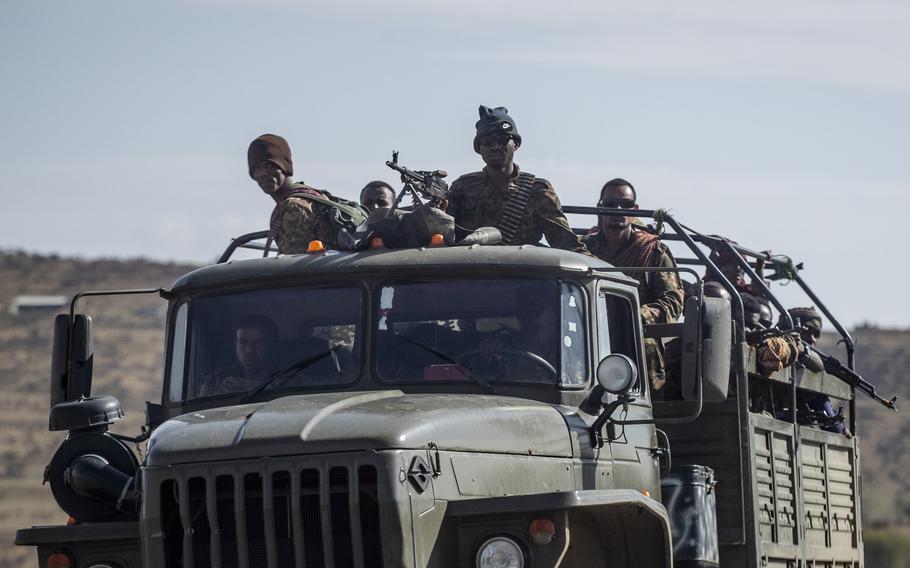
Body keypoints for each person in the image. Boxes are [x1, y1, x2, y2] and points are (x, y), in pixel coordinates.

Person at [582, 178, 684, 394]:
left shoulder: (652, 251)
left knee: (645, 350)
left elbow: (674, 301)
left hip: (636, 336)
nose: (617, 211)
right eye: (610, 204)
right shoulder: (582, 250)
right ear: (600, 208)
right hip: (586, 333)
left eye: (625, 205)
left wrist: (636, 316)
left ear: (635, 209)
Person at [445, 106, 589, 254]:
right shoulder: (463, 187)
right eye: (488, 141)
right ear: (479, 148)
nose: (495, 147)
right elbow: (443, 235)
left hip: (520, 272)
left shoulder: (537, 189)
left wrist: (600, 270)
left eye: (502, 140)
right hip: (470, 270)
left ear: (516, 144)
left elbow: (565, 241)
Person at [247, 133, 338, 254]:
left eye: (269, 165)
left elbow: (292, 262)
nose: (263, 173)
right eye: (257, 168)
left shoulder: (295, 206)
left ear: (284, 166)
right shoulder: (307, 196)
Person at [199, 314, 279, 396]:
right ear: (235, 345)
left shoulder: (286, 380)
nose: (250, 350)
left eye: (258, 343)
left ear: (272, 346)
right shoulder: (216, 383)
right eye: (243, 342)